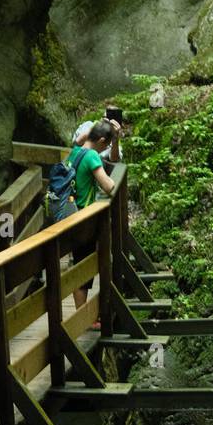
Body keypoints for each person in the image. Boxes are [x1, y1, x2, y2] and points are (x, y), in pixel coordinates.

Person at [67, 121, 116, 310]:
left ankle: (84, 314)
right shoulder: (92, 156)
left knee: (81, 263)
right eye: (107, 144)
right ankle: (83, 316)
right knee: (83, 268)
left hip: (70, 215)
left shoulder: (75, 152)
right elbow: (108, 186)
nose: (107, 148)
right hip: (84, 220)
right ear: (102, 140)